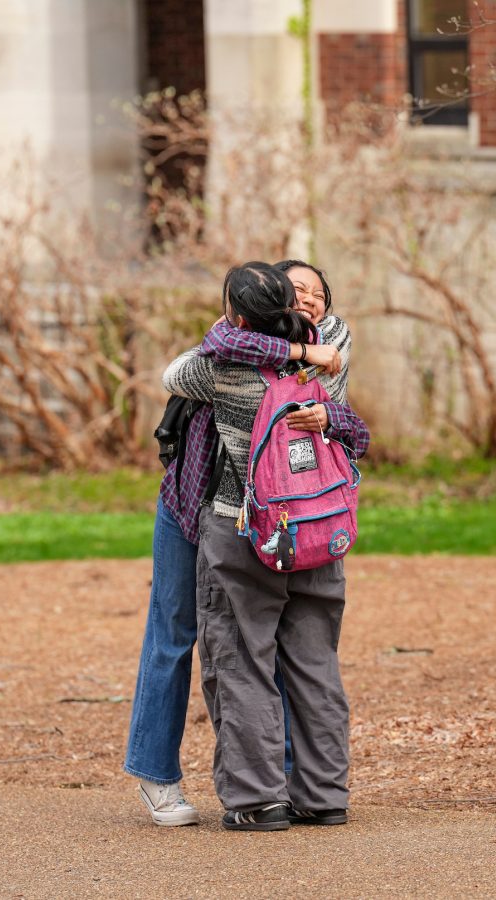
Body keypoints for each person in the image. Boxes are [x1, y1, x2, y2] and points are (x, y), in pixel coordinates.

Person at [124, 260, 365, 826]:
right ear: (277, 300)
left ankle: (265, 793)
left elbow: (188, 366)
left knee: (246, 655)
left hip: (247, 516)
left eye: (317, 292)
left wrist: (259, 334)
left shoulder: (327, 342)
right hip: (191, 497)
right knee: (178, 632)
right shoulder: (292, 352)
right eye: (294, 289)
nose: (307, 299)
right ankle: (159, 775)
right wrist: (294, 350)